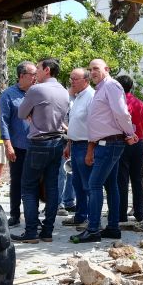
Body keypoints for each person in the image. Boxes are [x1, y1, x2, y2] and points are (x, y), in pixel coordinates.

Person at [70, 59, 137, 244]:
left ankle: (93, 230)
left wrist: (130, 133)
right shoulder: (101, 88)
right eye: (91, 69)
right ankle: (113, 227)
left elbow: (122, 112)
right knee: (110, 185)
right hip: (105, 142)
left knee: (93, 184)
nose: (92, 72)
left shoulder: (111, 86)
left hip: (110, 143)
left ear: (107, 69)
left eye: (96, 69)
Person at [11, 58, 69, 244]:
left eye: (38, 69)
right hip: (57, 141)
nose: (35, 73)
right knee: (52, 187)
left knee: (28, 187)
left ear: (47, 70)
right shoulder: (64, 91)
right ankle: (47, 231)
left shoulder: (37, 89)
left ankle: (31, 232)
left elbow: (21, 114)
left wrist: (33, 115)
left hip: (39, 143)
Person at [0, 61, 36, 227]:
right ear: (22, 76)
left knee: (34, 182)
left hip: (37, 146)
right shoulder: (8, 94)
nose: (36, 77)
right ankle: (15, 215)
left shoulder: (37, 93)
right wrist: (8, 145)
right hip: (18, 147)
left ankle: (32, 217)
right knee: (16, 182)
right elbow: (3, 121)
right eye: (32, 74)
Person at [61, 67, 95, 228]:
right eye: (71, 78)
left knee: (88, 185)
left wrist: (90, 150)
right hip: (75, 145)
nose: (71, 82)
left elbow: (94, 127)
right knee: (77, 183)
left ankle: (90, 218)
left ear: (85, 80)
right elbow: (74, 122)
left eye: (75, 79)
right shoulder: (78, 97)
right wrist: (69, 144)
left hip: (86, 146)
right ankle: (80, 215)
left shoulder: (91, 97)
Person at [115, 75, 143, 223]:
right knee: (137, 179)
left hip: (123, 143)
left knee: (121, 180)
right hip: (139, 143)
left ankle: (121, 214)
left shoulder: (118, 103)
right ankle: (140, 213)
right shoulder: (140, 103)